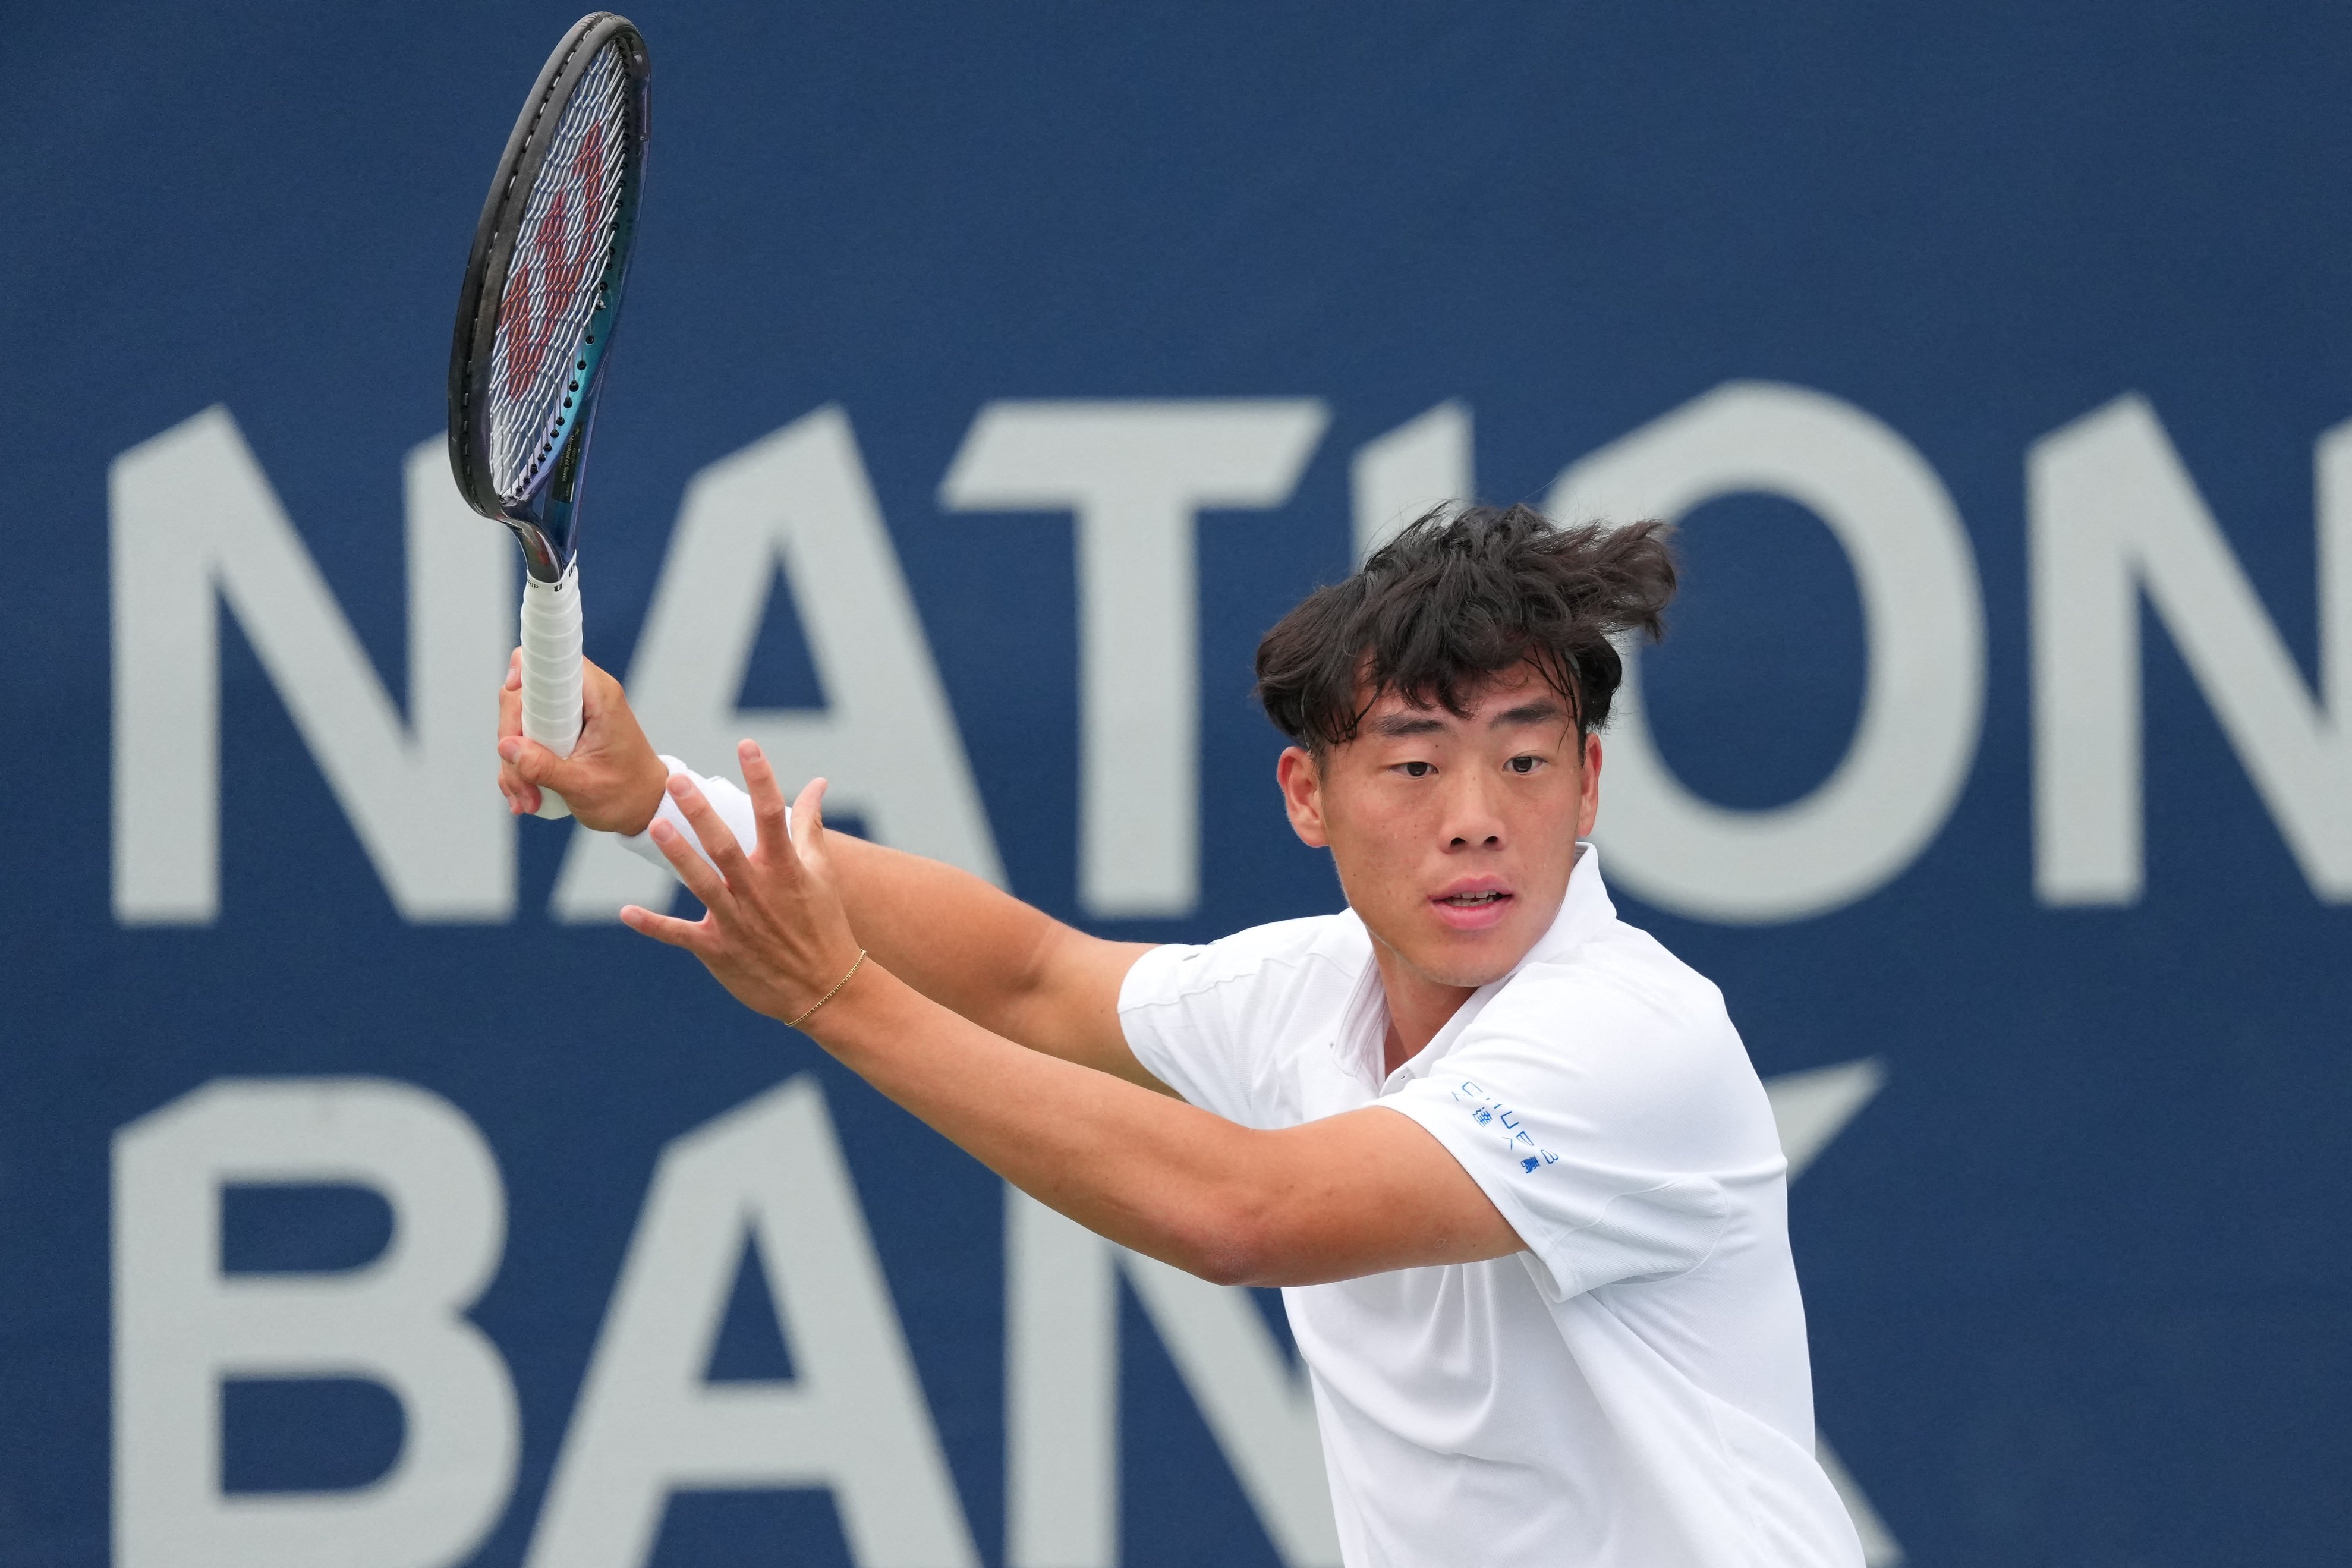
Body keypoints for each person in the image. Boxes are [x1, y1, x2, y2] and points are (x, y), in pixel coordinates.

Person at [495, 504, 1865, 1568]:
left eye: (1523, 759)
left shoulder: (1627, 1038)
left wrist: (832, 997)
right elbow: (1030, 976)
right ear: (1306, 795)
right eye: (1411, 764)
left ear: (1587, 785)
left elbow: (1240, 1213)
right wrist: (652, 797)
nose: (1473, 818)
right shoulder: (1306, 993)